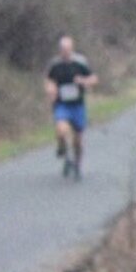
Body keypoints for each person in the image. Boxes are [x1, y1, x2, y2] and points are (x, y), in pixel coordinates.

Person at [44, 35, 98, 179]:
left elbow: (94, 79)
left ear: (72, 49)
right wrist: (51, 90)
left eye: (68, 49)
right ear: (59, 50)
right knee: (61, 130)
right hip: (62, 104)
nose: (65, 52)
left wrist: (83, 81)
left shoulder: (80, 62)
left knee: (78, 140)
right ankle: (63, 149)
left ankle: (77, 165)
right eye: (62, 49)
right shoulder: (55, 65)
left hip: (78, 105)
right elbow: (49, 80)